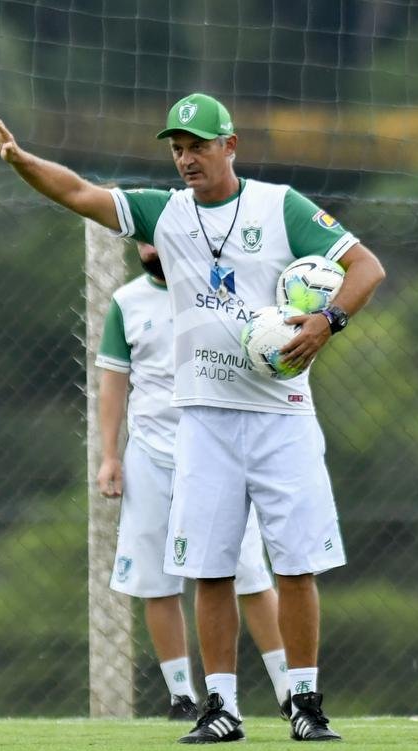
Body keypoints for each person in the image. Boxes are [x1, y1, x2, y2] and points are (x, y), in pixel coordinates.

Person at [0, 93, 385, 743]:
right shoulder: (163, 212)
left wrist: (327, 321)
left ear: (231, 146)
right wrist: (20, 159)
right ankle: (220, 707)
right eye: (177, 149)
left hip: (281, 415)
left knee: (296, 564)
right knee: (209, 567)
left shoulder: (279, 206)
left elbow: (366, 267)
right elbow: (79, 193)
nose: (186, 158)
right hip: (204, 419)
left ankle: (306, 704)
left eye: (198, 146)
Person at [96, 242, 291, 722]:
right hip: (150, 456)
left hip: (219, 454)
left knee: (249, 574)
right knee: (156, 582)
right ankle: (182, 697)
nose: (149, 246)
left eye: (157, 236)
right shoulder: (126, 302)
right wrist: (109, 456)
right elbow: (114, 382)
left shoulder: (223, 291)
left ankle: (290, 690)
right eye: (142, 237)